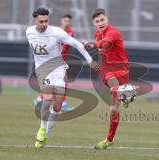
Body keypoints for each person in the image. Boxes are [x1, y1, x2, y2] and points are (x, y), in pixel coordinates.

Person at [26, 8, 98, 148]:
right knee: (47, 98)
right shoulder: (29, 31)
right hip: (43, 70)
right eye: (41, 21)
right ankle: (41, 129)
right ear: (35, 21)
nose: (44, 24)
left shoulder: (57, 32)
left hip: (58, 69)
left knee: (57, 106)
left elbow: (77, 44)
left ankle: (47, 132)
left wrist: (90, 61)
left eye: (46, 20)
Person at [83, 8, 135, 149]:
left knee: (113, 109)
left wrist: (93, 44)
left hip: (122, 69)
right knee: (112, 82)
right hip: (107, 69)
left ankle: (109, 139)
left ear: (107, 20)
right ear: (94, 23)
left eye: (102, 20)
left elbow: (104, 43)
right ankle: (124, 93)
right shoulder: (97, 33)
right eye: (97, 21)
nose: (100, 23)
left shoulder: (113, 32)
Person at [33, 14, 75, 112]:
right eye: (65, 21)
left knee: (59, 84)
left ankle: (39, 99)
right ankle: (62, 104)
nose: (67, 23)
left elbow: (67, 43)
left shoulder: (70, 32)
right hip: (53, 61)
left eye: (69, 21)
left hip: (62, 61)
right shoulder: (55, 31)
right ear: (62, 21)